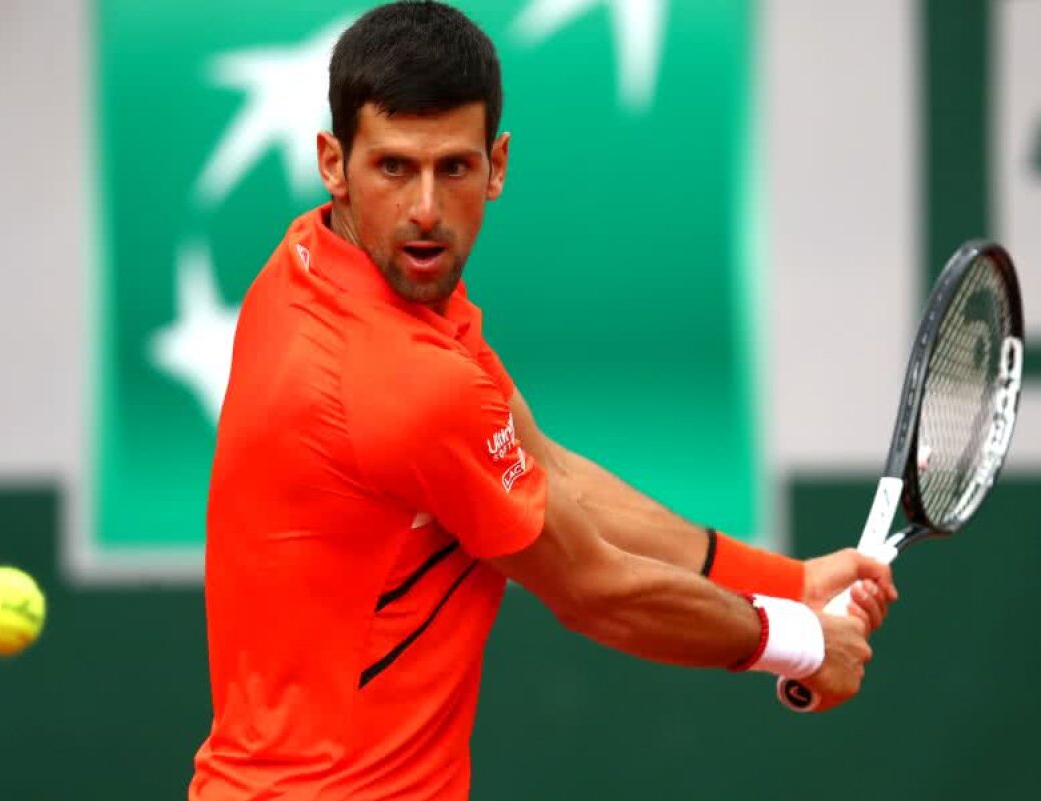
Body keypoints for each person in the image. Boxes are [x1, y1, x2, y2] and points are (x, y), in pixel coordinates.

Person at [189, 3, 897, 799]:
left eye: (452, 168)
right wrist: (802, 641)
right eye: (393, 167)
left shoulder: (308, 267)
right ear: (332, 160)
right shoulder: (410, 383)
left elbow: (552, 471)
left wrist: (788, 581)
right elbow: (594, 587)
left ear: (497, 164)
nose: (424, 209)